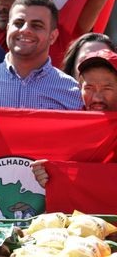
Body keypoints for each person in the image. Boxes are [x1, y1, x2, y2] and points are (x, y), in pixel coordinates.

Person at [0, 0, 82, 110]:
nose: (25, 29)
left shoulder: (73, 93)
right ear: (8, 29)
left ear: (52, 36)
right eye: (18, 23)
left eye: (36, 25)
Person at [32, 49, 117, 187]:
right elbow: (61, 181)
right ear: (79, 88)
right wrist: (46, 178)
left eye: (107, 88)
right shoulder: (67, 130)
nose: (96, 98)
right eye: (89, 88)